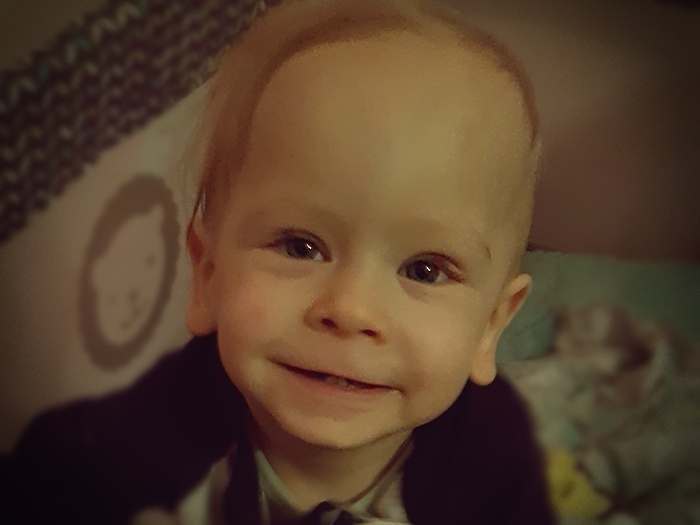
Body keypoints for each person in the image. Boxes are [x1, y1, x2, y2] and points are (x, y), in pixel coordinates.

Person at [5, 0, 554, 523]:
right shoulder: (136, 443)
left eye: (424, 270)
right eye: (299, 246)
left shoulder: (497, 467)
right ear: (208, 274)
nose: (351, 310)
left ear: (491, 325)